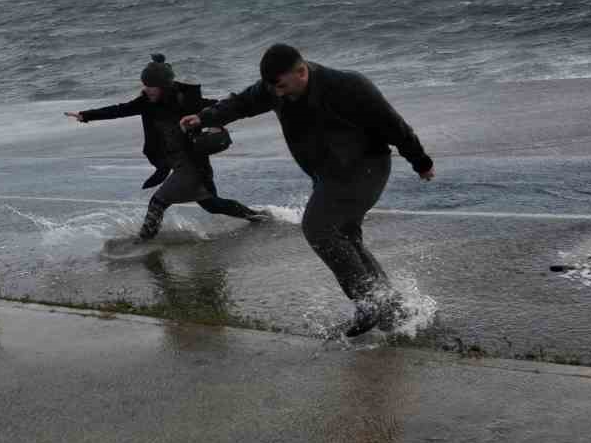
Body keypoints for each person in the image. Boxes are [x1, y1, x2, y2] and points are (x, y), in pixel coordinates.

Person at [183, 44, 435, 337]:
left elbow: (395, 126)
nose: (277, 94)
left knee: (318, 228)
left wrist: (421, 162)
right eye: (272, 88)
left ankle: (368, 303)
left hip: (365, 169)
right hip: (327, 175)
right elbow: (242, 103)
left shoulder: (348, 86)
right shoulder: (274, 87)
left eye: (282, 86)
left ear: (302, 72)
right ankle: (393, 310)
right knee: (346, 238)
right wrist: (204, 118)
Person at [67, 54, 269, 239]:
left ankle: (145, 243)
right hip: (177, 164)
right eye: (145, 85)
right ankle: (259, 217)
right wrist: (86, 115)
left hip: (192, 165)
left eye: (151, 85)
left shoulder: (186, 102)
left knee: (158, 202)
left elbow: (221, 108)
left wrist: (218, 126)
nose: (146, 89)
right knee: (212, 205)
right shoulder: (147, 102)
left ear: (163, 85)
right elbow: (120, 110)